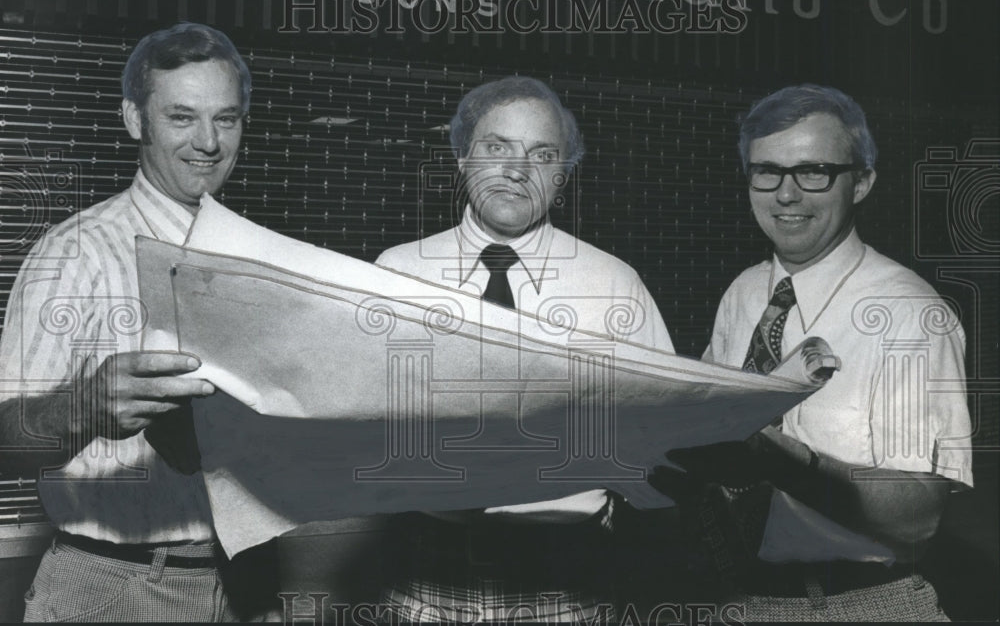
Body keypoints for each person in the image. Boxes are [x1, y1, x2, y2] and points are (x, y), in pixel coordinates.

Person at [374, 76, 674, 623]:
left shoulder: (615, 285)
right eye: (497, 148)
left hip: (566, 582)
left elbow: (664, 442)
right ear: (463, 157)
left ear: (562, 176)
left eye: (543, 154)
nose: (517, 169)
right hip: (425, 572)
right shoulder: (396, 273)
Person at [669, 84, 973, 622]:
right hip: (739, 602)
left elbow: (919, 517)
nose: (786, 194)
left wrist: (781, 460)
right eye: (767, 171)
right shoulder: (742, 294)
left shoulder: (907, 315)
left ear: (861, 183)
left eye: (814, 171)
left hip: (860, 604)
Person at [0, 22, 267, 621]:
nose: (208, 142)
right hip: (109, 585)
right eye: (182, 117)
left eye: (226, 119)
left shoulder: (256, 261)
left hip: (238, 581)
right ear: (133, 119)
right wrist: (86, 406)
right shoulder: (75, 253)